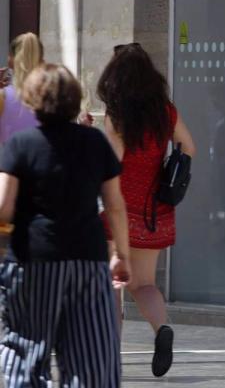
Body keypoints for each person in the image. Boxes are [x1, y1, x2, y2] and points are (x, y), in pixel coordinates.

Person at [0, 64, 131, 387]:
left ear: (33, 100)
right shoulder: (95, 142)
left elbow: (4, 207)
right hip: (88, 258)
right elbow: (114, 205)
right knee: (90, 357)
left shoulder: (22, 144)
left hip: (34, 258)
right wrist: (121, 255)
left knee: (26, 349)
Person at [96, 42, 195, 378]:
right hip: (156, 211)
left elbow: (112, 163)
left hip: (119, 208)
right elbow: (189, 147)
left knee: (114, 285)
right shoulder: (165, 111)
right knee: (145, 284)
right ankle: (161, 328)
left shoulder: (116, 115)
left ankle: (111, 354)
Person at [0, 33, 44, 147]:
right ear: (42, 59)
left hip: (10, 162)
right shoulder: (52, 95)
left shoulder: (3, 97)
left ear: (11, 60)